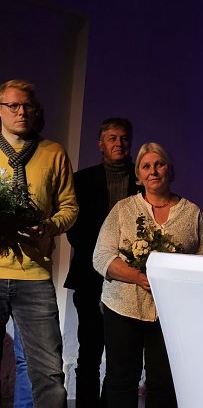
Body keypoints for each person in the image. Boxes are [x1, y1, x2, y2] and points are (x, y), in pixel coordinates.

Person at [93, 142, 203, 407]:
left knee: (163, 382)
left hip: (170, 310)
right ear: (138, 175)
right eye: (146, 166)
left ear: (169, 170)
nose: (153, 171)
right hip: (123, 306)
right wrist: (138, 277)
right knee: (122, 379)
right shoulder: (123, 210)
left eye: (159, 164)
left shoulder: (191, 213)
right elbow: (101, 257)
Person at [0, 79, 78, 407]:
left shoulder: (53, 152)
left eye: (27, 106)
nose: (21, 112)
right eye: (13, 105)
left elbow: (70, 207)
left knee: (48, 374)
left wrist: (47, 227)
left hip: (35, 276)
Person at [65, 117, 140, 408]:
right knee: (90, 352)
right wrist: (105, 257)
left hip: (130, 280)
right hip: (89, 276)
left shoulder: (142, 180)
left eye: (123, 138)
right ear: (101, 144)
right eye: (112, 138)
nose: (118, 143)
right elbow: (74, 229)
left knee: (121, 356)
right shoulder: (81, 180)